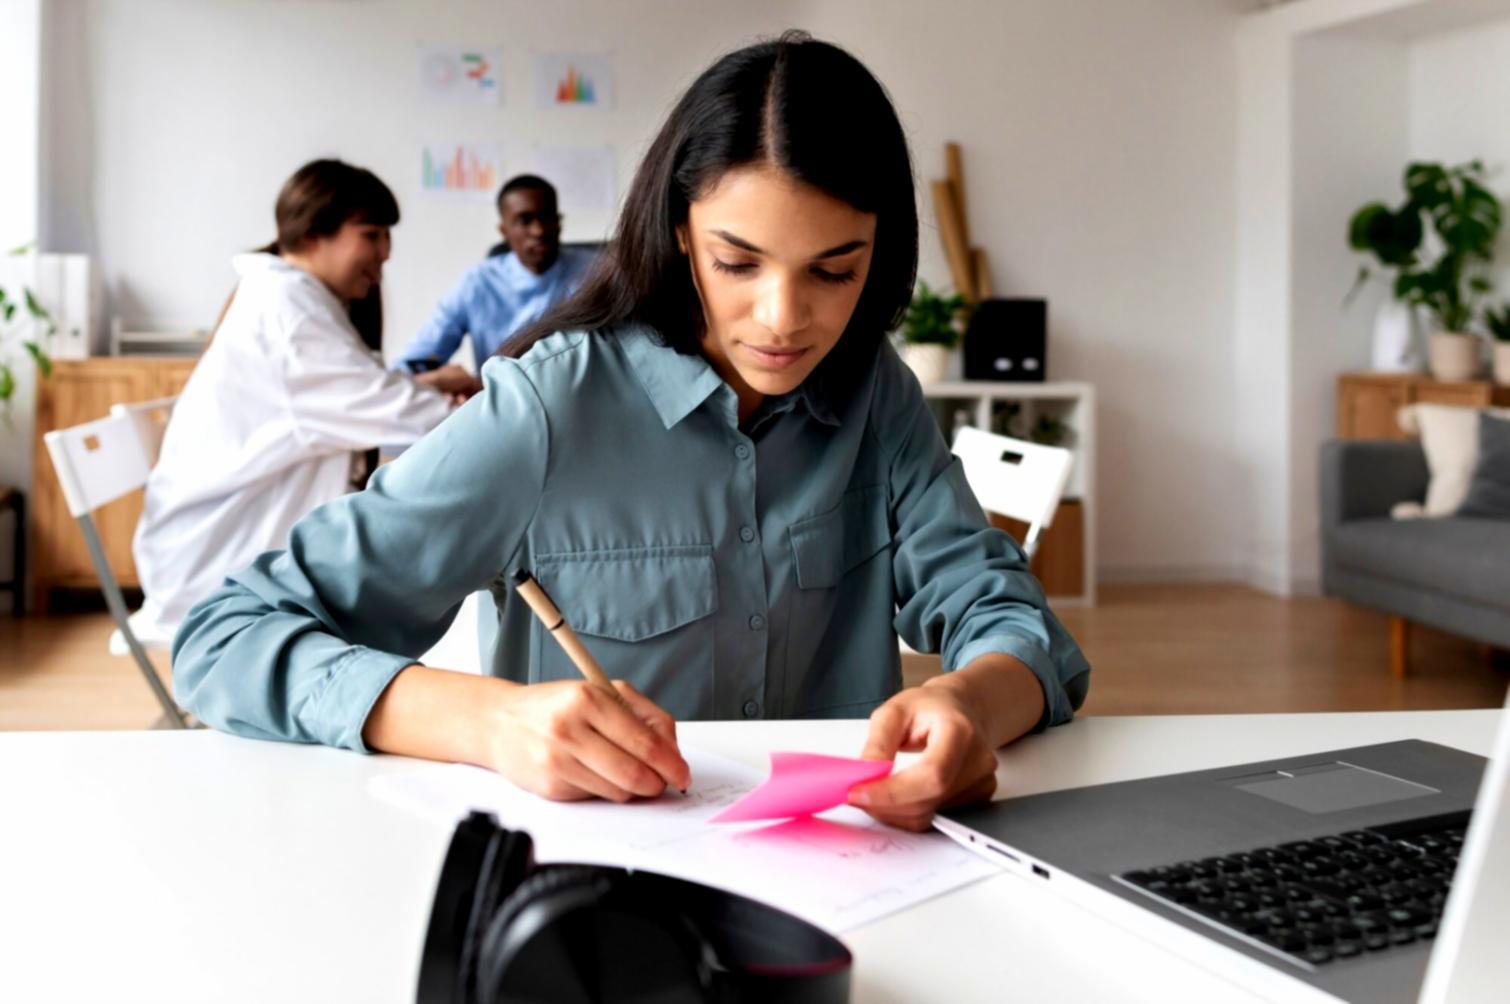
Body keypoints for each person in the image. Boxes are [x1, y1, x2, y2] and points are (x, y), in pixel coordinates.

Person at [173, 34, 1090, 832]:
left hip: (851, 882)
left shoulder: (874, 394)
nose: (783, 319)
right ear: (682, 234)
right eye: (738, 262)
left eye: (833, 272)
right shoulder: (548, 409)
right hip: (603, 907)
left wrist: (970, 704)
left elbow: (1013, 621)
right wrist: (491, 723)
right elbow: (224, 638)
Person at [133, 159, 466, 636]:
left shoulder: (284, 296)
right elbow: (404, 415)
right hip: (217, 566)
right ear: (314, 235)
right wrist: (492, 405)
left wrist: (432, 384)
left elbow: (357, 394)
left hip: (210, 543)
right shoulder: (292, 317)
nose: (386, 252)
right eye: (371, 235)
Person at [394, 175, 596, 377]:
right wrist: (441, 381)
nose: (538, 231)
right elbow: (416, 360)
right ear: (504, 231)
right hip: (502, 393)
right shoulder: (479, 282)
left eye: (547, 218)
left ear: (559, 222)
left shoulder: (596, 272)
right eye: (524, 221)